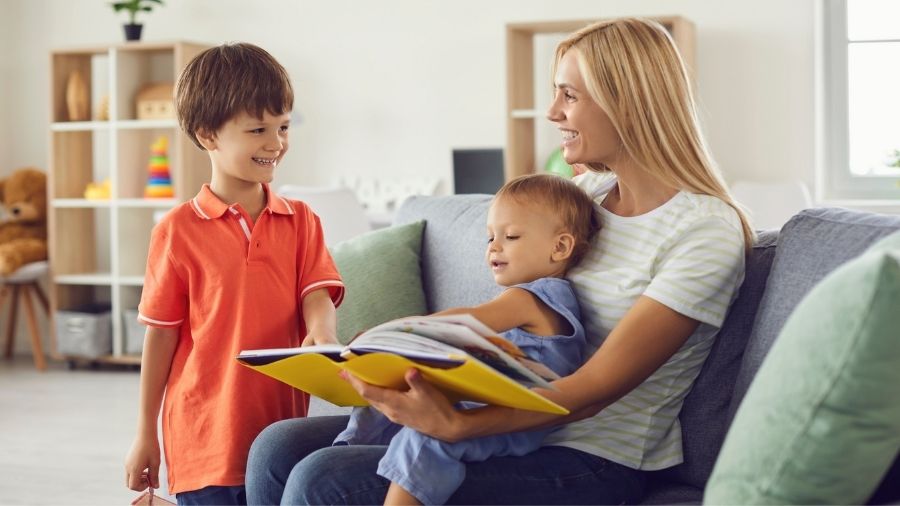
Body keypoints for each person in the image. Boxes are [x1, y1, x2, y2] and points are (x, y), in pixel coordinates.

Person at [246, 17, 753, 505]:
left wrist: (459, 425)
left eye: (569, 95)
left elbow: (595, 389)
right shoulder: (588, 196)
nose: (553, 112)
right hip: (508, 420)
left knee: (326, 479)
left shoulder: (704, 232)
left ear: (629, 103)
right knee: (277, 448)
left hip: (589, 458)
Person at [123, 43, 345, 506]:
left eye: (283, 127)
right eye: (258, 130)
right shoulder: (176, 232)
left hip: (281, 436)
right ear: (208, 136)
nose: (276, 143)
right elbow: (160, 337)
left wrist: (322, 332)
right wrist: (145, 432)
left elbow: (317, 292)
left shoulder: (302, 220)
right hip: (203, 440)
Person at [333, 173, 600, 505]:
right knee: (394, 390)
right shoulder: (534, 296)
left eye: (511, 236)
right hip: (492, 405)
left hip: (514, 424)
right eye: (490, 237)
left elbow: (466, 321)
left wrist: (388, 333)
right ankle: (348, 450)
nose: (494, 247)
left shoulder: (537, 297)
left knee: (426, 437)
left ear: (559, 247)